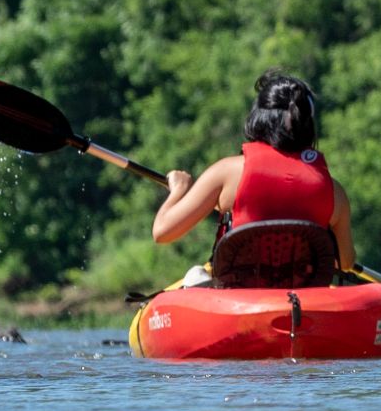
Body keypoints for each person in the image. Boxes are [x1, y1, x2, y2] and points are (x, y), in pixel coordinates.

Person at [152, 71, 358, 284]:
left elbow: (162, 232)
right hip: (300, 301)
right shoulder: (333, 191)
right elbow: (344, 263)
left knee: (194, 277)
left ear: (258, 118)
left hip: (240, 300)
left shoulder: (227, 173)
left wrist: (179, 189)